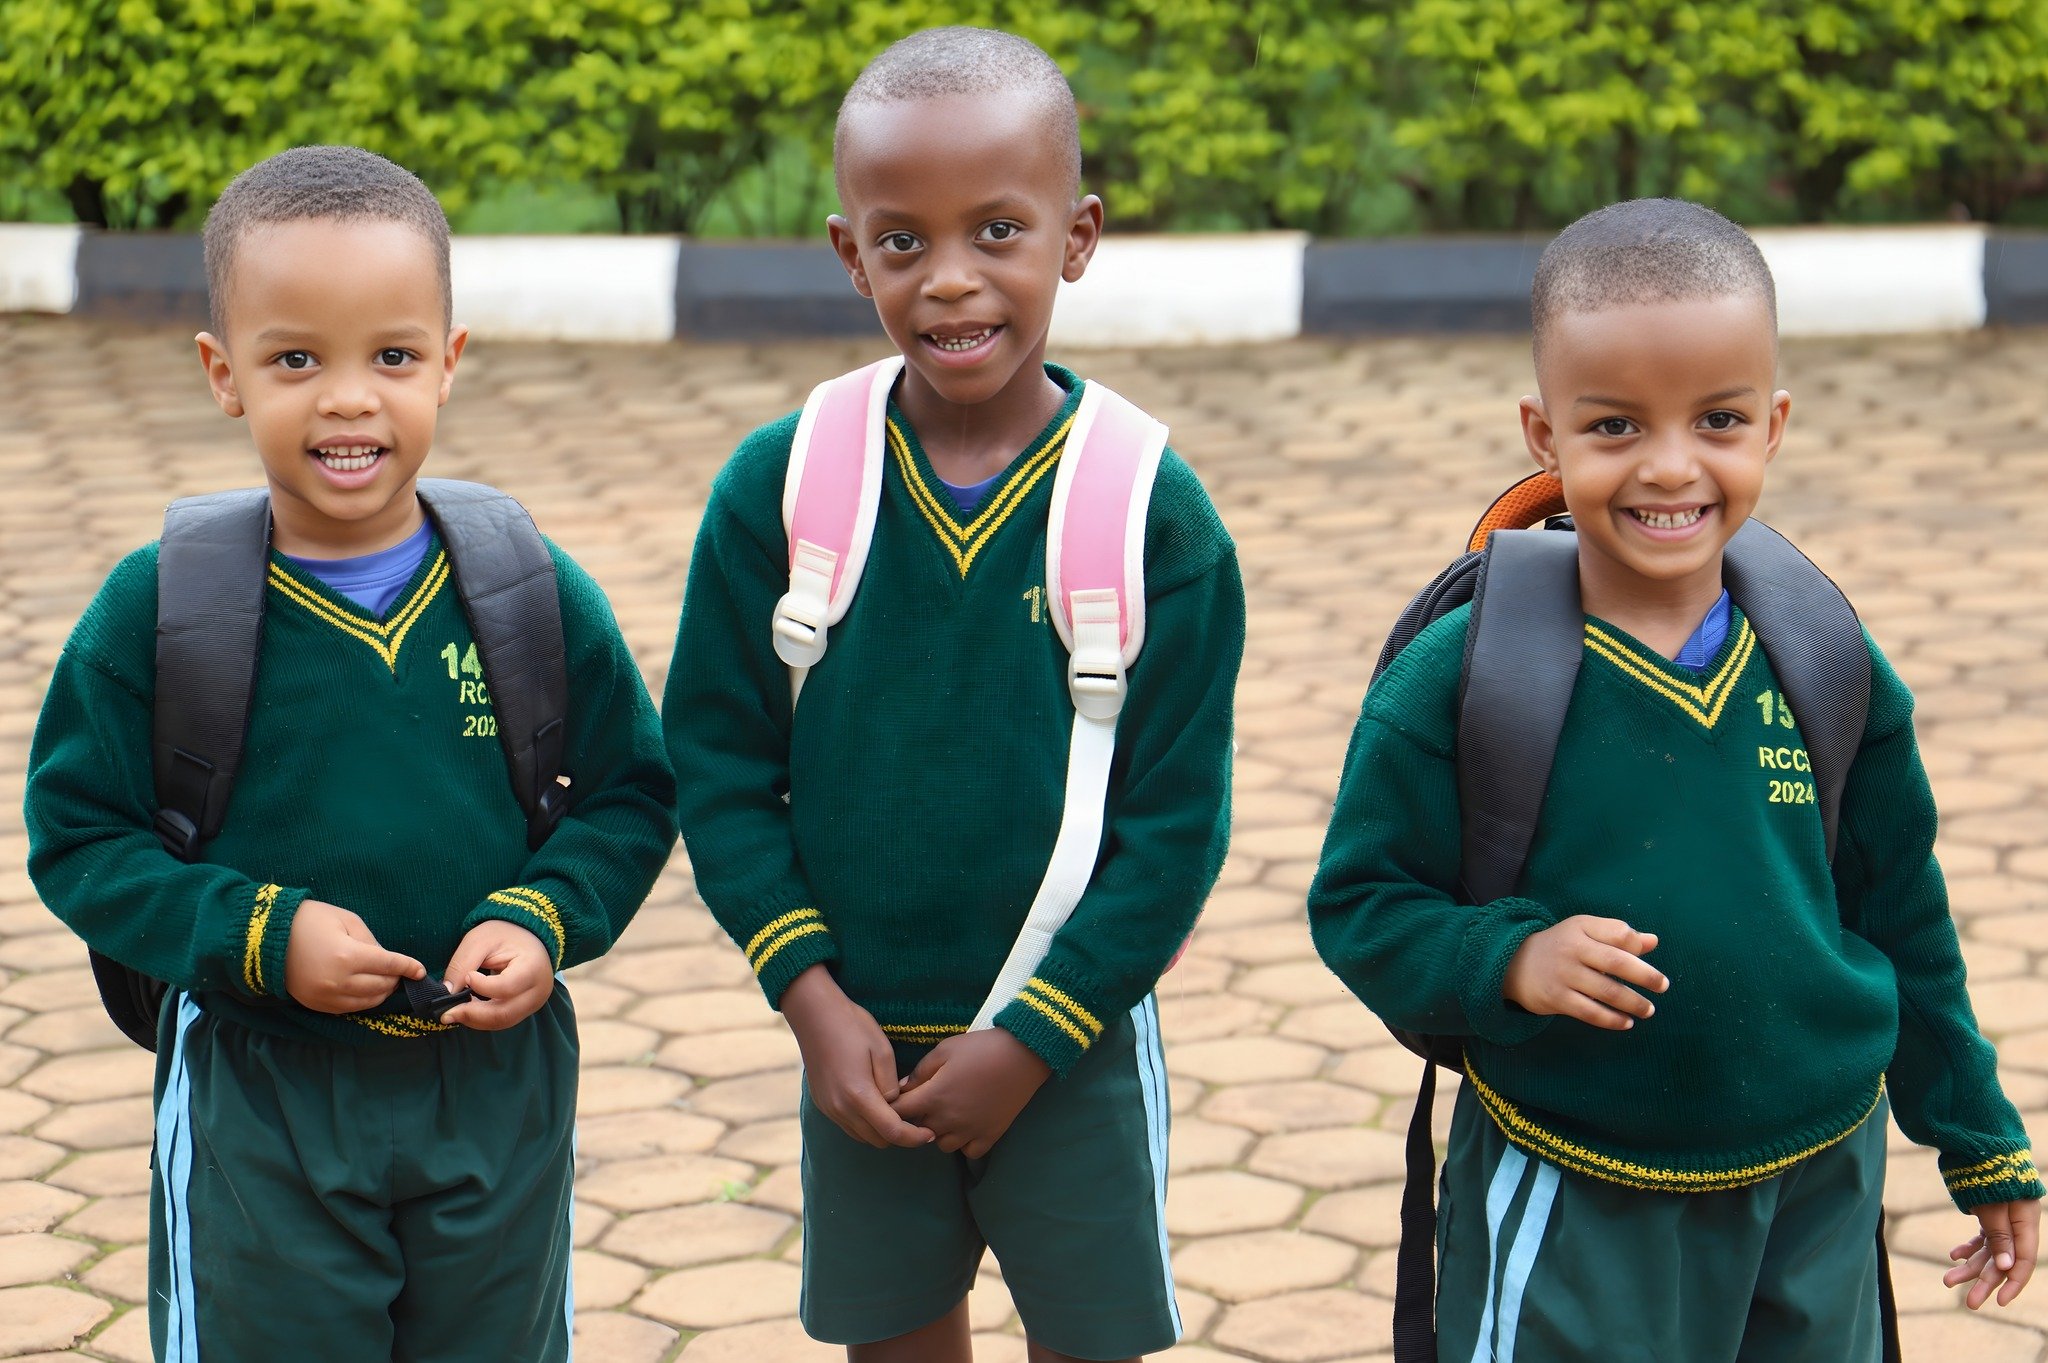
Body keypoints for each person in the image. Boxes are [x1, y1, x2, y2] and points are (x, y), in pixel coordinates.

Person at [1308, 197, 2039, 1361]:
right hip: (1574, 1184)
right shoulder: (1465, 674)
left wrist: (1978, 1137)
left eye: (1715, 419)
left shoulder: (1824, 657)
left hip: (1814, 1182)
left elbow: (1898, 906)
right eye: (1611, 427)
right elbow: (1358, 904)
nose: (1668, 466)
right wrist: (1509, 958)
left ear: (1772, 424)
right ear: (1541, 435)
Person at [23, 144, 677, 1362]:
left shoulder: (527, 591)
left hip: (497, 1094)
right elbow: (78, 840)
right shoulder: (162, 610)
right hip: (262, 1102)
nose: (347, 399)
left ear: (449, 361)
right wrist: (258, 935)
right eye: (293, 360)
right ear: (224, 374)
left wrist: (543, 917)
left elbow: (631, 794)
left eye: (391, 355)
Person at [663, 27, 1243, 1363]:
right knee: (896, 1338)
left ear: (1078, 235)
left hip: (1073, 1041)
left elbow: (1174, 829)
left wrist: (1036, 1037)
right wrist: (809, 996)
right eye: (903, 241)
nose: (952, 281)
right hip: (857, 1040)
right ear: (848, 251)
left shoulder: (1151, 511)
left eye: (998, 230)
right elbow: (722, 766)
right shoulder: (786, 486)